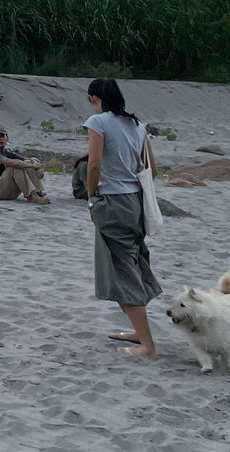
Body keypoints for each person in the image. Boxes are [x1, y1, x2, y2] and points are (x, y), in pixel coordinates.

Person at [84, 76, 162, 362]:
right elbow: (152, 170)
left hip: (113, 202)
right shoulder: (137, 125)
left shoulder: (98, 123)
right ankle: (139, 332)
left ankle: (148, 348)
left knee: (121, 270)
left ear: (95, 98)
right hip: (135, 203)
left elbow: (94, 165)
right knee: (132, 263)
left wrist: (91, 198)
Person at [0, 127, 50, 204]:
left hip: (9, 191)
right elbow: (14, 163)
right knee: (14, 166)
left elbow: (28, 159)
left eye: (2, 136)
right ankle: (32, 196)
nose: (0, 139)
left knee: (27, 162)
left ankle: (37, 192)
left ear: (7, 138)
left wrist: (38, 167)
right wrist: (34, 166)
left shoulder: (6, 153)